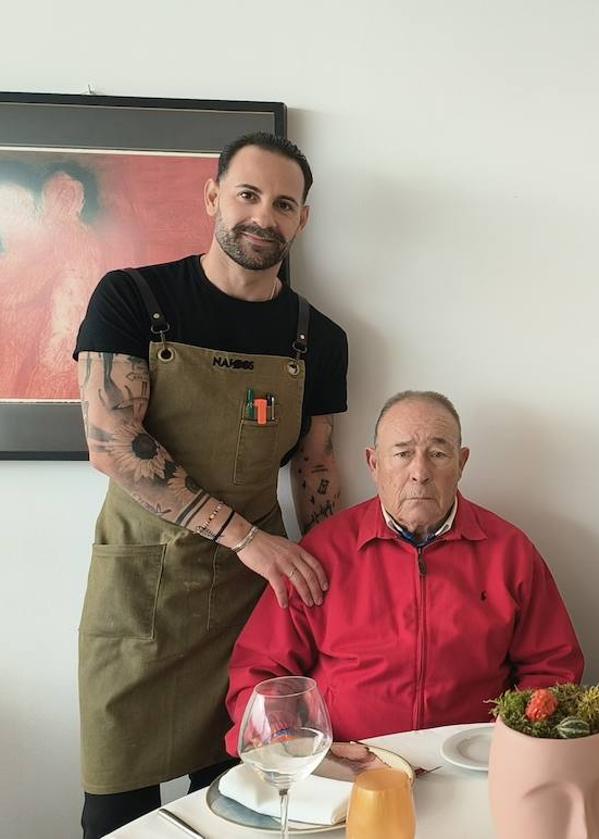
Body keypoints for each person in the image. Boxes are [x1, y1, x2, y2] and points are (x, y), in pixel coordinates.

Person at [73, 132, 348, 838]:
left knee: (240, 797)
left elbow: (314, 467)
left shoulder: (318, 337)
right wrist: (247, 538)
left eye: (284, 204)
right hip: (142, 593)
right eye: (248, 195)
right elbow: (113, 446)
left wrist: (334, 590)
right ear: (212, 197)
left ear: (302, 220)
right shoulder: (133, 297)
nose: (264, 216)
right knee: (116, 805)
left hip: (254, 602)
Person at [225, 390, 584, 749]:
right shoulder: (322, 552)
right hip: (346, 766)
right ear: (374, 464)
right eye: (402, 454)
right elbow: (261, 675)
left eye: (438, 454)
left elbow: (552, 668)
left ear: (462, 463)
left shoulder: (510, 552)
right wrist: (295, 747)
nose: (420, 473)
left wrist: (514, 743)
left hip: (473, 764)